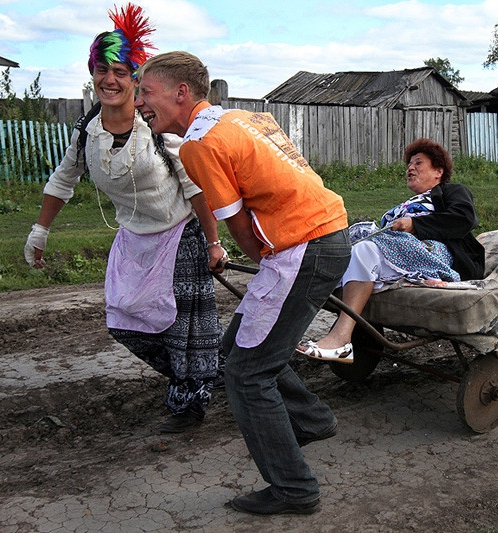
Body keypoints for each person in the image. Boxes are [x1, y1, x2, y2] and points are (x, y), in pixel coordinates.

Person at [134, 51, 351, 516]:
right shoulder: (242, 118)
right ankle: (311, 421)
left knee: (247, 375)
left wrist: (266, 264)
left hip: (302, 247)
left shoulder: (199, 145)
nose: (138, 104)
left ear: (181, 93)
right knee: (237, 350)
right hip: (325, 233)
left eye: (145, 93)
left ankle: (294, 490)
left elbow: (236, 226)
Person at [23, 5, 225, 434]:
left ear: (136, 78)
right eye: (101, 69)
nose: (109, 79)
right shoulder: (86, 131)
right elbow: (62, 181)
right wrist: (40, 231)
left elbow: (196, 190)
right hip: (134, 240)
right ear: (91, 73)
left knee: (179, 328)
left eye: (120, 70)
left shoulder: (157, 128)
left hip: (180, 237)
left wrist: (213, 242)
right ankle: (213, 369)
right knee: (124, 319)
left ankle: (189, 403)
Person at [297, 138, 485, 363]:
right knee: (336, 250)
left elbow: (464, 218)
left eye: (418, 163)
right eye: (409, 165)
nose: (410, 168)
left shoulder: (451, 191)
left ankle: (341, 339)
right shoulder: (410, 202)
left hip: (435, 253)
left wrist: (415, 225)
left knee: (365, 250)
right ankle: (291, 329)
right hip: (398, 250)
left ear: (438, 171)